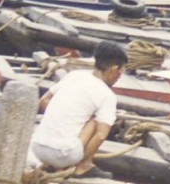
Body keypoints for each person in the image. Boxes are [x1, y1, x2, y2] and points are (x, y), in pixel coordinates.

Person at [30, 40, 128, 176]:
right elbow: (100, 135)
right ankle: (83, 166)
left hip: (37, 148)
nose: (119, 77)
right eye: (121, 71)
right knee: (96, 120)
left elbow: (44, 100)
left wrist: (61, 122)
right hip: (64, 155)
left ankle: (56, 165)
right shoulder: (107, 95)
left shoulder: (74, 75)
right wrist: (76, 161)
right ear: (114, 69)